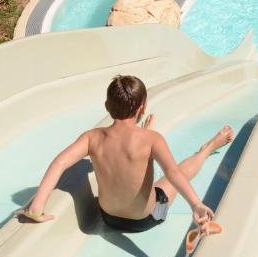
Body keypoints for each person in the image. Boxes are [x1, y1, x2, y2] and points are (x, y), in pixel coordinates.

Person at [21, 75, 233, 234]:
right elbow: (174, 173)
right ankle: (208, 148)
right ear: (143, 108)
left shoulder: (91, 138)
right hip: (145, 219)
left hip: (109, 218)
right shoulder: (153, 140)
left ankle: (146, 130)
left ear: (106, 107)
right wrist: (196, 204)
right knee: (180, 172)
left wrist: (37, 206)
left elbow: (59, 162)